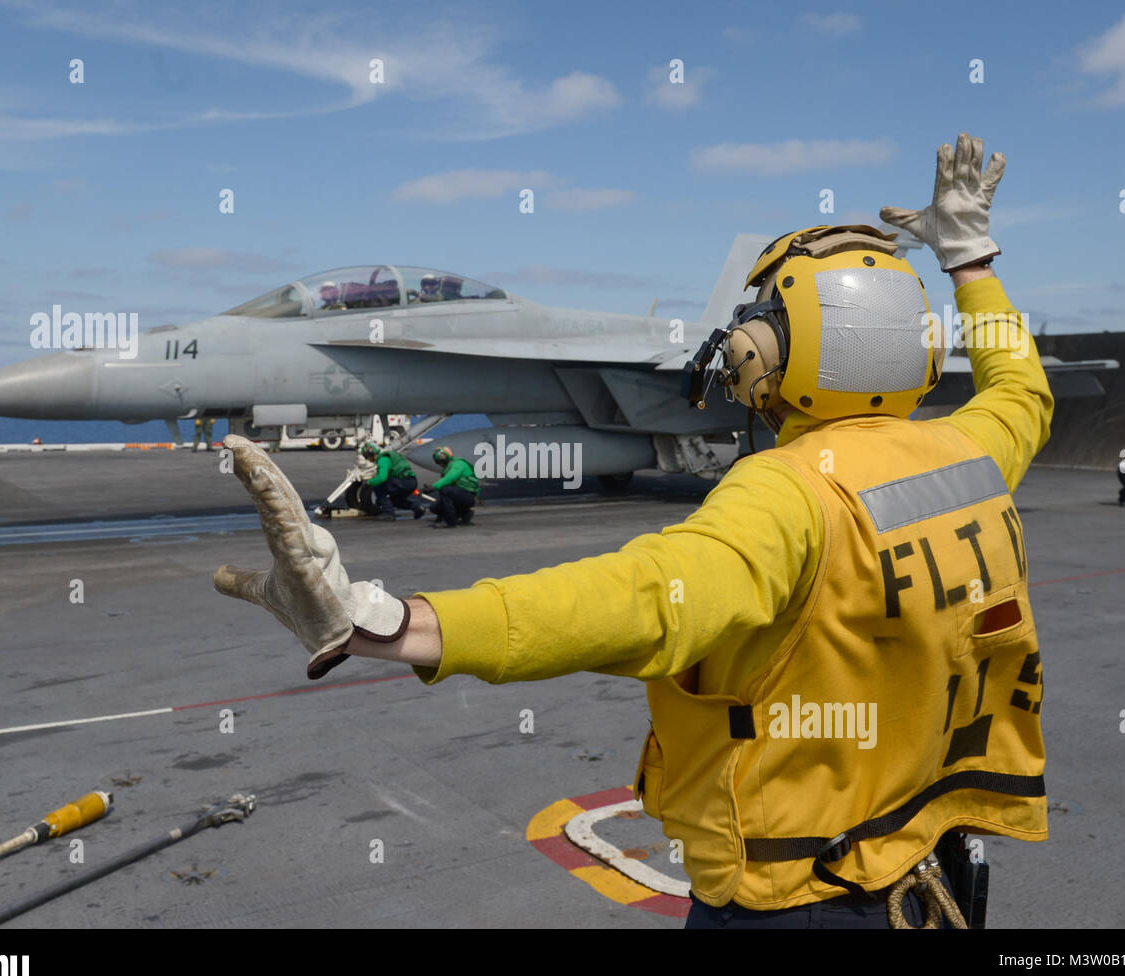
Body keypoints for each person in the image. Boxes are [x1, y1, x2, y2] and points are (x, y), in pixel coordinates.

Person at [214, 134, 1051, 929]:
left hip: (799, 897)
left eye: (758, 323)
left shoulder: (788, 496)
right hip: (931, 869)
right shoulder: (973, 453)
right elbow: (1020, 387)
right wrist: (970, 262)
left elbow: (640, 601)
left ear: (769, 351)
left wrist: (390, 622)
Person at [360, 439, 423, 520]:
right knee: (395, 500)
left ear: (370, 453)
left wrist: (369, 482)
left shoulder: (383, 459)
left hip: (403, 482)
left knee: (378, 486)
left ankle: (388, 514)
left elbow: (382, 478)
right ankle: (417, 508)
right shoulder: (390, 455)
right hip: (411, 481)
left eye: (366, 456)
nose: (367, 459)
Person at [426, 445, 479, 528]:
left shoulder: (458, 464)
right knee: (434, 507)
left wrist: (434, 487)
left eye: (440, 461)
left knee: (445, 491)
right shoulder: (448, 467)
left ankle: (451, 522)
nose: (439, 463)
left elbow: (450, 478)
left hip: (468, 495)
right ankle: (465, 514)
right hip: (460, 495)